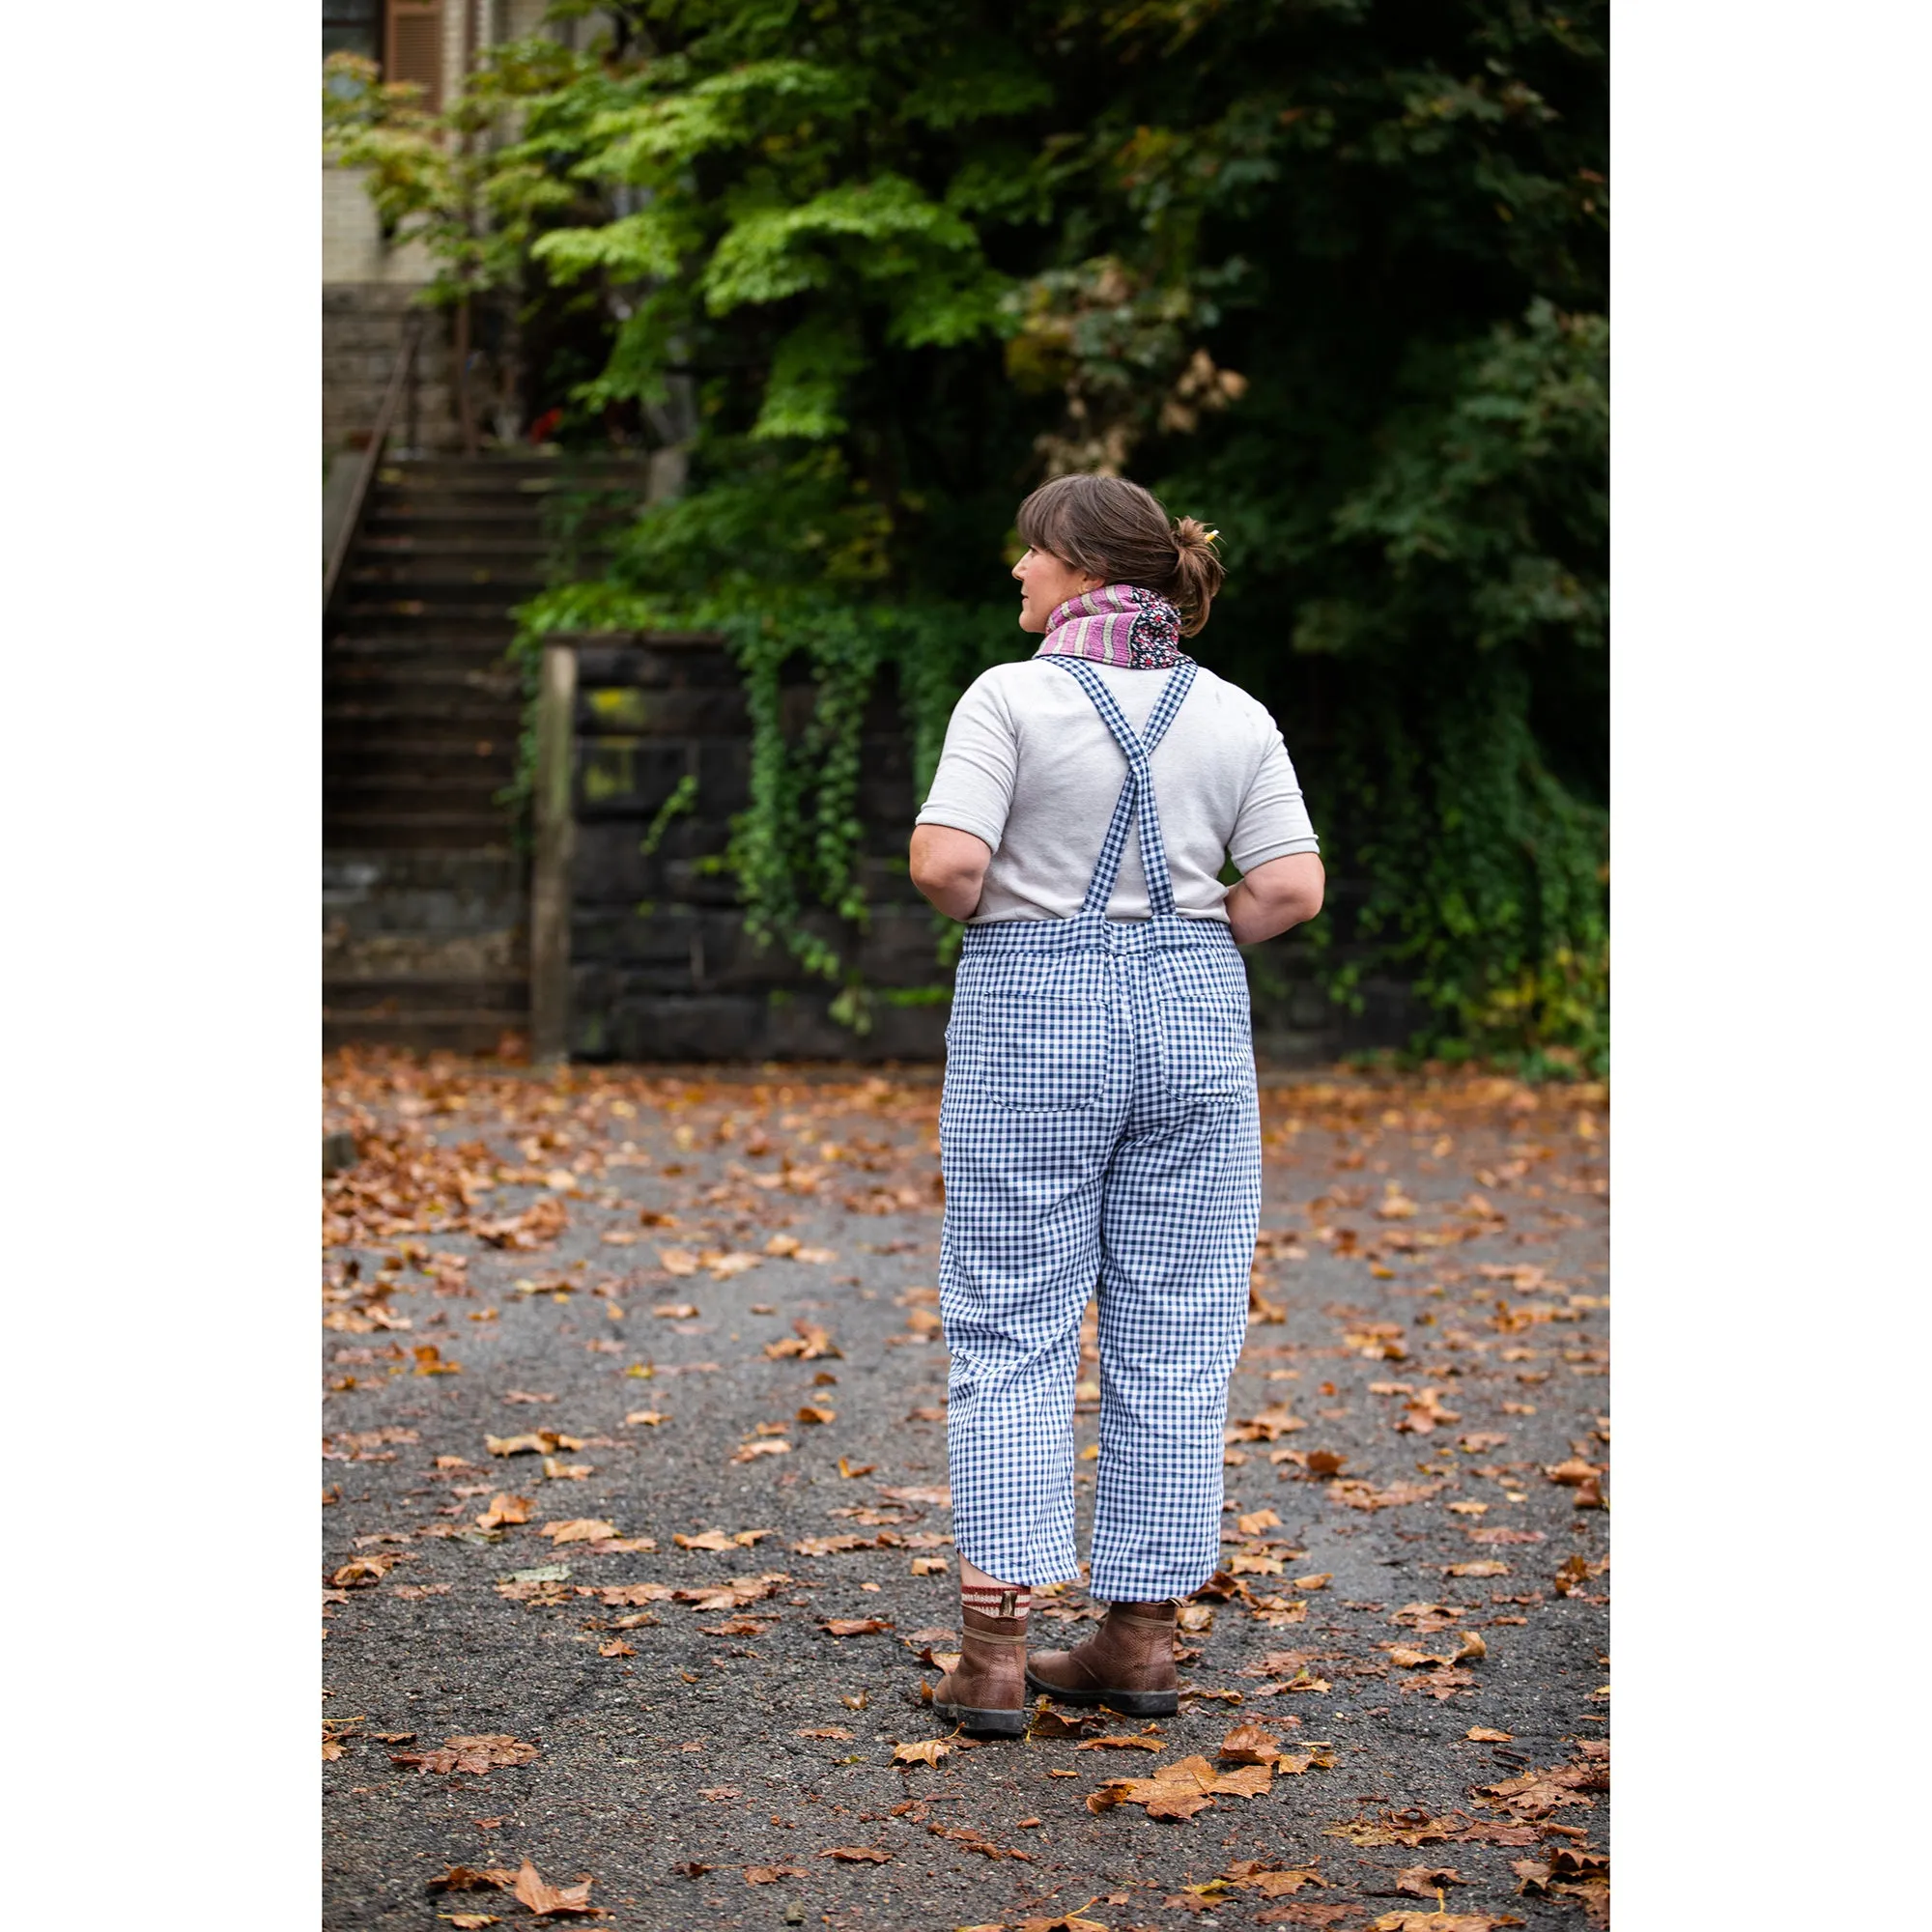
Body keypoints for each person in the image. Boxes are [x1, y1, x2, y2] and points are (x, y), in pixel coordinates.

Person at [908, 472, 1325, 1736]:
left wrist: (1013, 924)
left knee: (1012, 1324)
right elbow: (1293, 889)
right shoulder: (1235, 711)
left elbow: (947, 861)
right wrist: (1190, 939)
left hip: (1036, 1020)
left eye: (1029, 553)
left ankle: (993, 1649)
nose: (1015, 573)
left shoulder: (1011, 697)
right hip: (1197, 1023)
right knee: (1179, 1334)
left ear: (1082, 566)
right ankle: (1139, 1640)